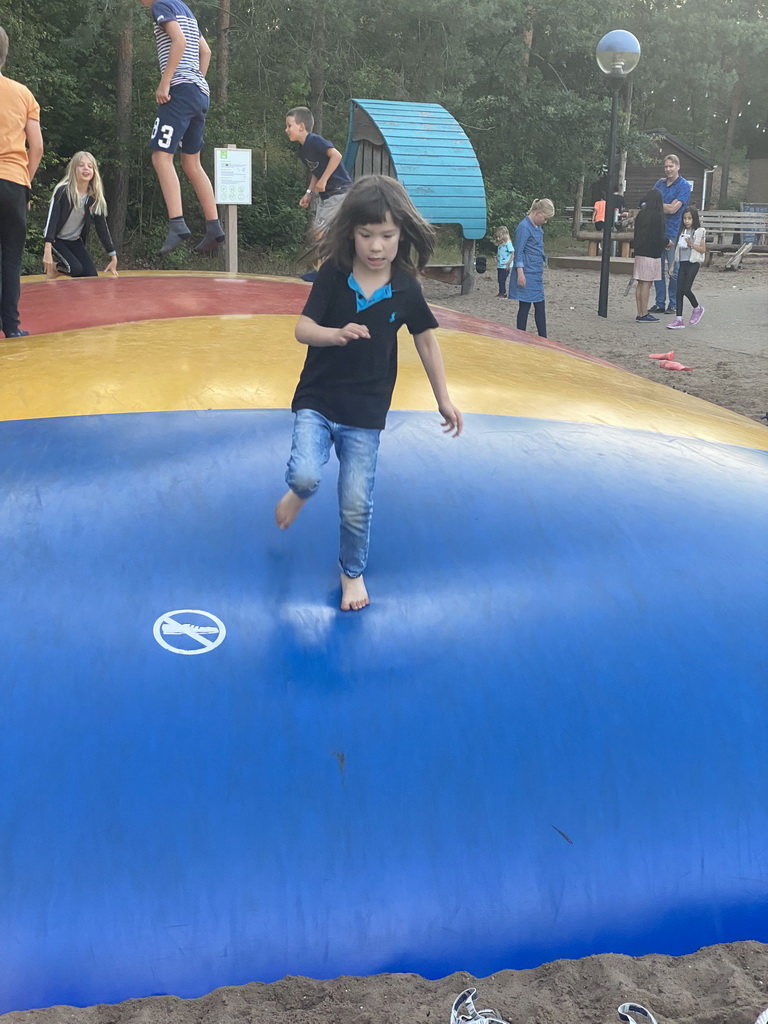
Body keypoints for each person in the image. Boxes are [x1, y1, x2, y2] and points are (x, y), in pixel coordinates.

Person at [274, 174, 463, 612]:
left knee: (356, 504)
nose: (376, 247)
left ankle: (351, 572)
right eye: (365, 235)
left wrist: (444, 398)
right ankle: (297, 493)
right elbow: (302, 329)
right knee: (306, 475)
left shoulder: (405, 288)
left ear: (402, 234)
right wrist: (334, 334)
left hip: (365, 411)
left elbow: (426, 340)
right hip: (318, 400)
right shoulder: (333, 276)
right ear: (351, 233)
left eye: (387, 236)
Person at [140, 0, 224, 257]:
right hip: (199, 92)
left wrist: (166, 83)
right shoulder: (185, 10)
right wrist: (196, 79)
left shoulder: (160, 6)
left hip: (180, 91)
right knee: (191, 163)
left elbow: (180, 41)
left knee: (161, 157)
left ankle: (177, 223)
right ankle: (214, 226)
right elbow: (206, 51)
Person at [0, 25, 43, 339]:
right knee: (11, 259)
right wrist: (25, 182)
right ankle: (11, 326)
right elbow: (37, 147)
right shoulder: (23, 93)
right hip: (14, 182)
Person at [43, 152, 118, 278]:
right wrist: (47, 249)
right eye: (81, 165)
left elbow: (102, 227)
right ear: (74, 169)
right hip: (56, 240)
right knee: (75, 269)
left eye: (90, 166)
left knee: (91, 275)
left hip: (75, 240)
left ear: (94, 171)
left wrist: (113, 255)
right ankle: (55, 268)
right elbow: (52, 220)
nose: (86, 169)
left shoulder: (93, 198)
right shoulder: (63, 191)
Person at [285, 107, 353, 238]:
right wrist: (309, 193)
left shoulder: (315, 141)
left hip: (339, 191)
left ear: (301, 126)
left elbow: (336, 156)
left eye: (289, 126)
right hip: (326, 195)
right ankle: (332, 257)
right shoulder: (302, 150)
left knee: (320, 232)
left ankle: (327, 258)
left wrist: (324, 180)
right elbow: (316, 170)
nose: (286, 130)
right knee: (321, 232)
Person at [648, 154, 691, 314]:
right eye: (666, 166)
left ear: (678, 167)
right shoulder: (659, 183)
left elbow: (674, 210)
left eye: (671, 166)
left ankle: (673, 303)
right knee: (656, 269)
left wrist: (658, 205)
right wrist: (664, 205)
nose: (668, 169)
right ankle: (660, 302)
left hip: (674, 231)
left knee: (674, 269)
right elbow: (647, 202)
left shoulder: (683, 186)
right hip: (657, 231)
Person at [508, 198, 555, 337]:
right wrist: (520, 273)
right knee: (525, 305)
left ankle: (543, 337)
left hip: (536, 271)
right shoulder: (524, 227)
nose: (545, 222)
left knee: (540, 305)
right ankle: (520, 335)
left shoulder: (537, 228)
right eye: (545, 218)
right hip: (526, 272)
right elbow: (519, 251)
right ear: (538, 213)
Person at [667, 206, 706, 329]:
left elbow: (703, 249)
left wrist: (692, 244)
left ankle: (697, 307)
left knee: (686, 289)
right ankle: (679, 319)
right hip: (682, 263)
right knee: (679, 291)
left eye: (689, 218)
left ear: (694, 219)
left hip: (693, 263)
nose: (687, 221)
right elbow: (678, 249)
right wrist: (673, 265)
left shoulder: (699, 231)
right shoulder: (682, 232)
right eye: (685, 218)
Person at [632, 188, 667, 323]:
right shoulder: (657, 216)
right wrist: (667, 242)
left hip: (640, 252)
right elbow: (658, 237)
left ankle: (640, 312)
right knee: (647, 283)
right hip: (652, 254)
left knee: (640, 283)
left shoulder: (641, 214)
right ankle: (644, 313)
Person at [494, 225, 514, 297]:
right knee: (499, 280)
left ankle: (503, 293)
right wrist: (497, 257)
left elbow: (512, 253)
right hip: (500, 264)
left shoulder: (508, 243)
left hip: (505, 265)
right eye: (497, 237)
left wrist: (509, 262)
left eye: (499, 237)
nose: (498, 239)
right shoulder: (501, 244)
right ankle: (501, 292)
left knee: (502, 280)